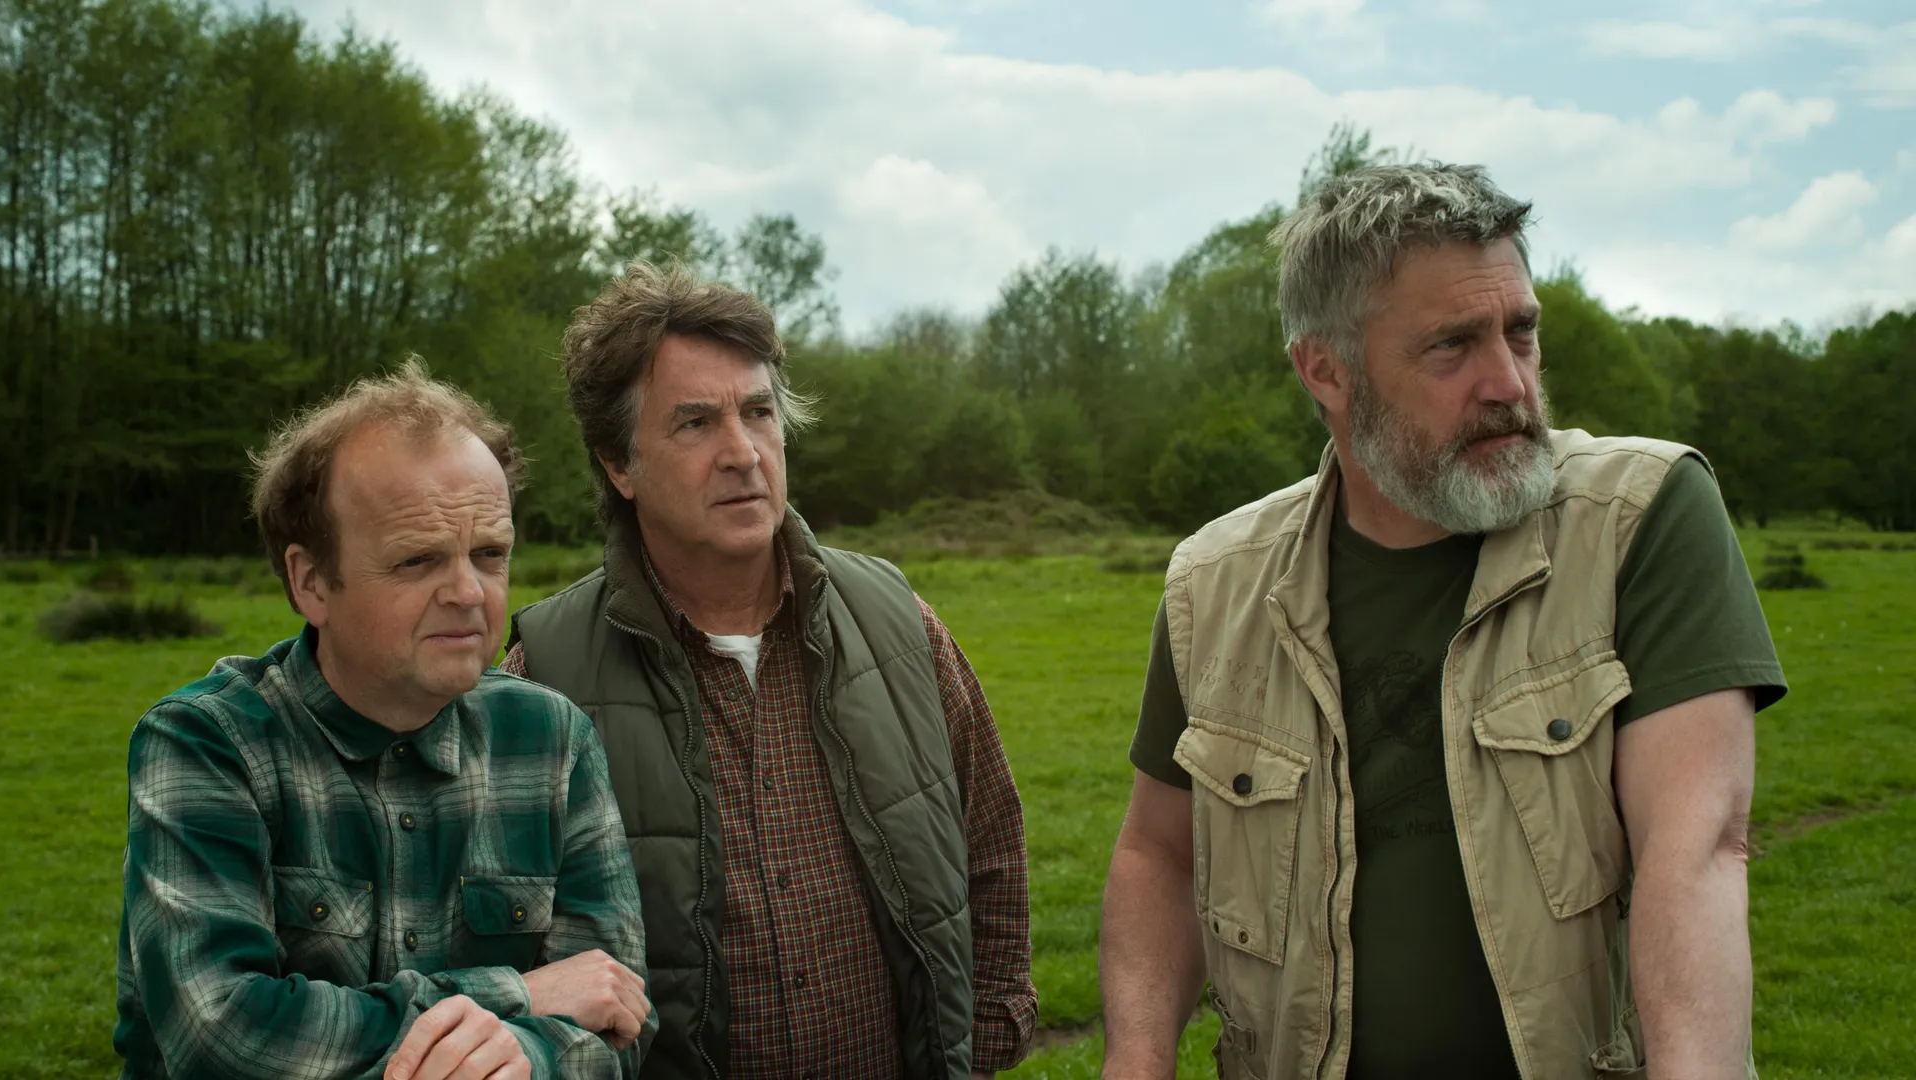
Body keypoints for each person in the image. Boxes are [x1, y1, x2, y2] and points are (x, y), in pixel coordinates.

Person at [1099, 164, 1785, 1080]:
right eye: (1452, 346)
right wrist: (1137, 1059)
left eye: (1521, 332)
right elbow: (1159, 854)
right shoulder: (1214, 583)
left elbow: (1695, 853)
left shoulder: (1641, 518)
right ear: (1326, 369)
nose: (1509, 382)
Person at [499, 262, 1037, 1080]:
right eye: (695, 423)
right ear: (618, 463)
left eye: (758, 412)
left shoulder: (899, 624)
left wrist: (982, 1044)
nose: (743, 453)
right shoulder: (544, 674)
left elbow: (990, 841)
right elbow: (506, 948)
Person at [114, 361, 655, 1080]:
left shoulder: (552, 740)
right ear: (311, 581)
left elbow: (617, 1016)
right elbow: (222, 1035)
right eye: (417, 561)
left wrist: (524, 1059)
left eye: (489, 554)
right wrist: (517, 996)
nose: (468, 592)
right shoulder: (207, 745)